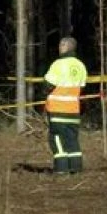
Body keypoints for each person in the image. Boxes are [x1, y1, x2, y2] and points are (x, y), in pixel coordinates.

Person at [43, 37, 87, 174]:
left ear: (65, 47)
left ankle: (61, 169)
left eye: (61, 44)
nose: (59, 47)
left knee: (57, 139)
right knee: (72, 140)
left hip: (58, 109)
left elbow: (48, 84)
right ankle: (76, 168)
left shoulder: (58, 64)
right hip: (73, 110)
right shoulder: (81, 66)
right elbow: (82, 86)